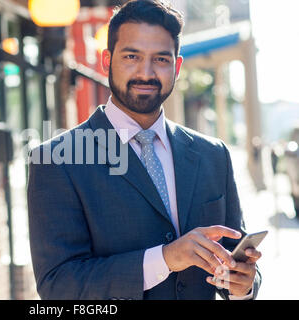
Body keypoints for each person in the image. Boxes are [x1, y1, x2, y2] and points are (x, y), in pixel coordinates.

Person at [27, 0, 261, 300]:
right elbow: (58, 287)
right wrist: (164, 259)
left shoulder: (213, 155)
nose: (146, 72)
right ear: (107, 61)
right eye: (132, 56)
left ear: (176, 67)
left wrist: (243, 286)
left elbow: (234, 258)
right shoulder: (56, 161)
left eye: (161, 59)